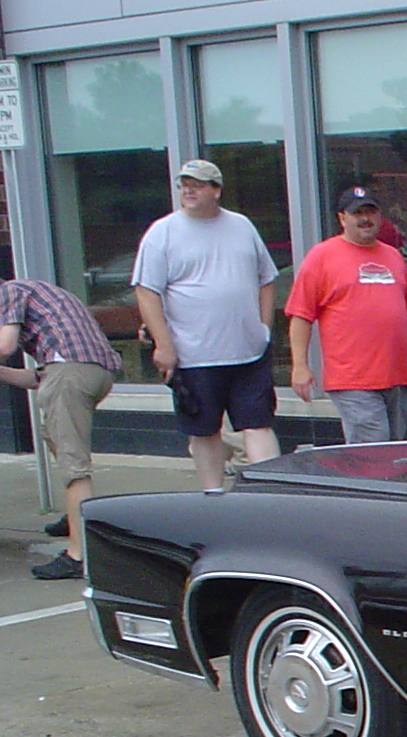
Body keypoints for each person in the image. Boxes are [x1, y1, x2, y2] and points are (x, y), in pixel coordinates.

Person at [131, 158, 281, 492]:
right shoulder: (162, 233)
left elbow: (267, 279)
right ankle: (212, 495)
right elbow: (147, 292)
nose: (188, 190)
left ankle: (271, 495)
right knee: (204, 430)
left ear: (216, 190)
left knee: (258, 424)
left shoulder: (242, 226)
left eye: (197, 185)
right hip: (194, 356)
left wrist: (263, 329)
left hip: (249, 353)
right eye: (184, 184)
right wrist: (164, 346)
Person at [0, 279, 124, 579]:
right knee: (55, 435)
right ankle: (75, 516)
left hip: (70, 375)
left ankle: (79, 557)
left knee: (73, 463)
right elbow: (42, 378)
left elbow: (5, 346)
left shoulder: (8, 292)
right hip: (97, 373)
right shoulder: (42, 291)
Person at [286, 186, 407, 444]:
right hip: (352, 379)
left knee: (394, 449)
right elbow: (300, 315)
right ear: (342, 218)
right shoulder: (322, 257)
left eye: (370, 212)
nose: (365, 219)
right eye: (357, 213)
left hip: (396, 377)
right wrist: (300, 366)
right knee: (372, 448)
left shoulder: (393, 256)